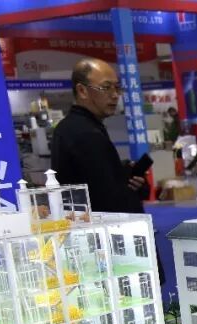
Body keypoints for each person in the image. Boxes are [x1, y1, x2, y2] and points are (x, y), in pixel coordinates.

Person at [51, 58, 146, 213]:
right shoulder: (85, 133)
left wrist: (122, 174)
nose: (115, 95)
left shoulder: (74, 127)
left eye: (117, 88)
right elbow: (107, 196)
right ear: (82, 91)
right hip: (102, 224)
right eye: (106, 88)